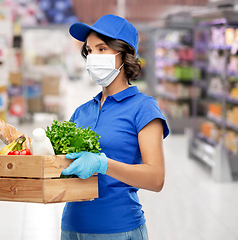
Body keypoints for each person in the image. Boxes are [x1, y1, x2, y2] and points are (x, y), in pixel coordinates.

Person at [60, 14, 170, 240]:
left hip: (118, 229)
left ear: (125, 55)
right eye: (89, 51)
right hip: (72, 228)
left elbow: (156, 178)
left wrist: (103, 164)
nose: (92, 57)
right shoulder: (81, 111)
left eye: (102, 49)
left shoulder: (143, 108)